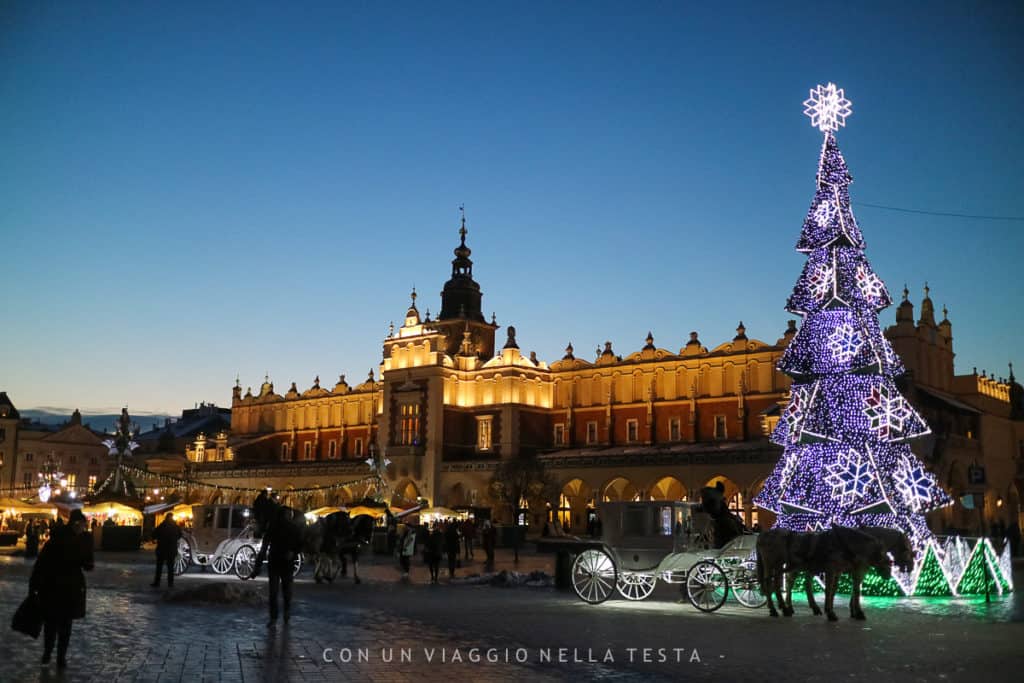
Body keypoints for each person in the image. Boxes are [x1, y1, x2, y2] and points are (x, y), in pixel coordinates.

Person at [30, 509, 94, 669]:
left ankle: (48, 654)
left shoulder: (54, 540)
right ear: (76, 524)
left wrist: (33, 586)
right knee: (64, 626)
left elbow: (40, 564)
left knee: (51, 624)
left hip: (51, 587)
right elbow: (88, 566)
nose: (84, 528)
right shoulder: (78, 542)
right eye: (82, 525)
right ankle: (60, 657)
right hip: (67, 589)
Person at [261, 505, 301, 626]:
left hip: (281, 561)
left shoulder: (289, 528)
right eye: (287, 514)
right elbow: (300, 544)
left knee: (280, 590)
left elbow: (299, 544)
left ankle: (279, 615)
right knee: (281, 590)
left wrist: (294, 552)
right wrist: (293, 552)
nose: (289, 517)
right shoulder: (287, 527)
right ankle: (280, 615)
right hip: (280, 561)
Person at [151, 513, 182, 588]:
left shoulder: (162, 526)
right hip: (171, 550)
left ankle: (157, 582)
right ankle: (170, 583)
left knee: (159, 567)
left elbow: (154, 535)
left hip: (162, 549)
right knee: (170, 567)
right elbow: (180, 535)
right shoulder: (176, 527)